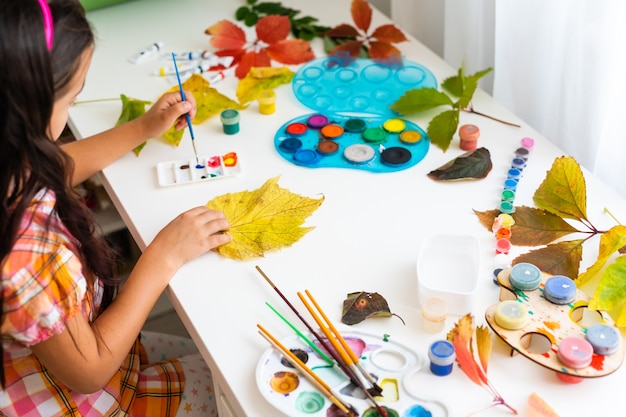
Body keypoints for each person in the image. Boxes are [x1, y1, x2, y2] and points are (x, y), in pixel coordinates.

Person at [0, 0, 232, 415]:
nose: (71, 111)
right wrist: (163, 255)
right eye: (71, 101)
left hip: (66, 348)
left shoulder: (11, 161)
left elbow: (56, 165)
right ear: (24, 110)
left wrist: (144, 127)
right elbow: (89, 372)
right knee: (225, 383)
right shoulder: (27, 252)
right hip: (76, 395)